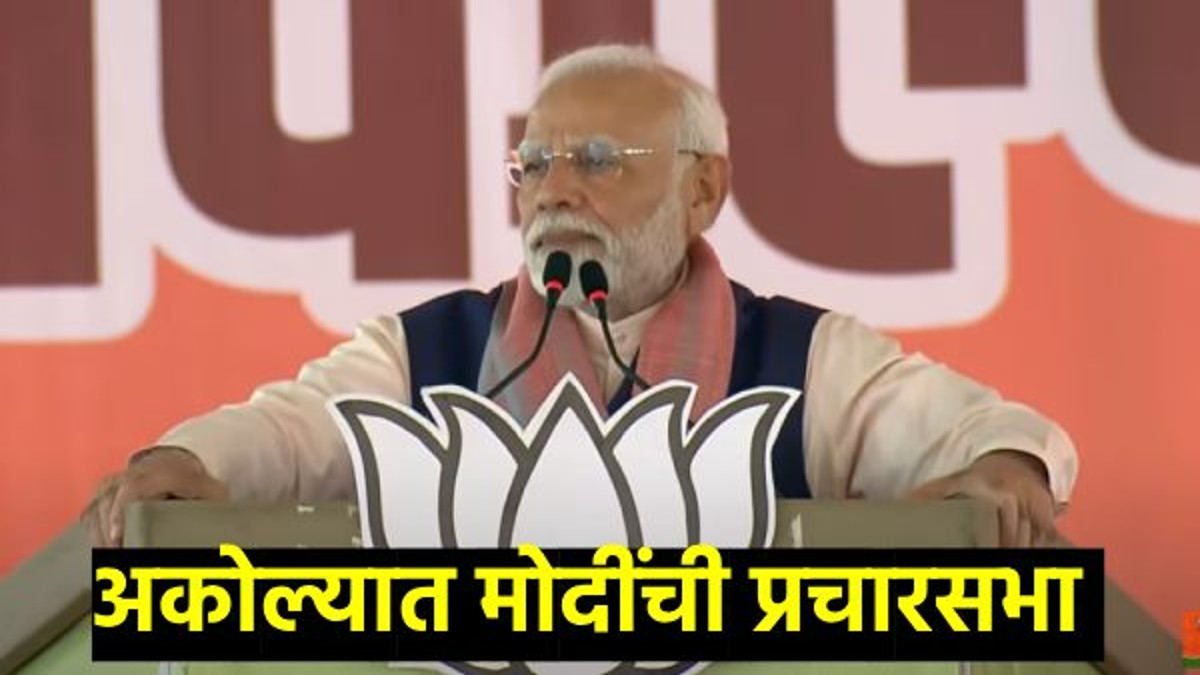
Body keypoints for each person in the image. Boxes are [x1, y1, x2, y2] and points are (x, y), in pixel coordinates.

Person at [84, 44, 1077, 549]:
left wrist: (1002, 470)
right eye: (535, 163)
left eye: (598, 160)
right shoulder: (430, 352)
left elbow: (994, 441)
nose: (554, 190)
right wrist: (185, 462)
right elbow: (291, 432)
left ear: (703, 189)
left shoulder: (800, 358)